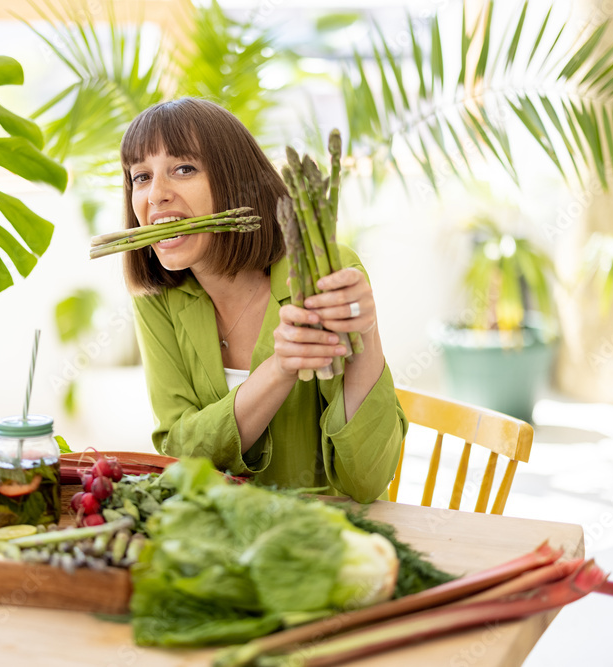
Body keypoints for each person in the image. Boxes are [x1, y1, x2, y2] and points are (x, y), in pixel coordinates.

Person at [121, 97, 406, 503]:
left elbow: (367, 481)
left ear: (234, 180)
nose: (156, 196)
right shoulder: (157, 297)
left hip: (320, 536)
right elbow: (179, 455)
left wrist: (367, 333)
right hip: (213, 535)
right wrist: (280, 369)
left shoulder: (322, 268)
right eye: (141, 176)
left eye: (184, 168)